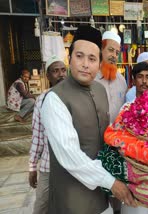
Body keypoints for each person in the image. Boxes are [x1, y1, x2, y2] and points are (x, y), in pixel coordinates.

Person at [40, 25, 136, 214]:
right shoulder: (55, 99)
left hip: (101, 196)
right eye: (79, 56)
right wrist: (112, 183)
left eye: (92, 58)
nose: (85, 64)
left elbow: (105, 138)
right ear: (70, 57)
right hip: (72, 199)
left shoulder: (99, 91)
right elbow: (71, 156)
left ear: (99, 62)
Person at [28, 55, 67, 214]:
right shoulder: (42, 100)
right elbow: (37, 136)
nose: (61, 74)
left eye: (63, 70)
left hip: (71, 166)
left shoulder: (76, 96)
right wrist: (32, 167)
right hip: (48, 165)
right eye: (55, 71)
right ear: (48, 76)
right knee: (42, 206)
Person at [95, 31, 127, 123]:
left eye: (117, 53)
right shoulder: (92, 79)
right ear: (101, 49)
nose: (114, 56)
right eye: (111, 50)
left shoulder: (122, 81)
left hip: (117, 134)